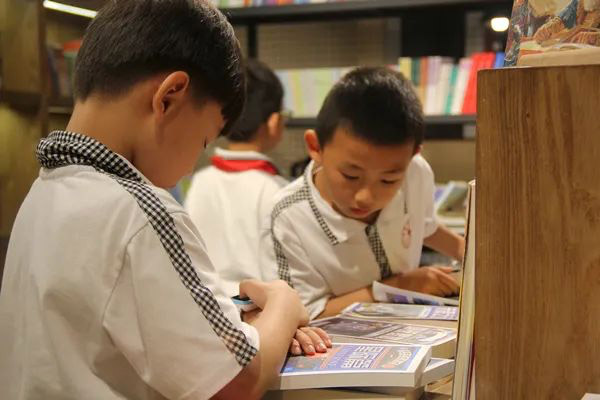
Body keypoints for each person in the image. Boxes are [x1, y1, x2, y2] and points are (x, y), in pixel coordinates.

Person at [0, 1, 329, 399]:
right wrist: (283, 304)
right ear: (169, 96)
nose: (190, 167)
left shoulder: (43, 191)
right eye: (203, 141)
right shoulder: (139, 210)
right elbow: (237, 382)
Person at [261, 67, 465, 320]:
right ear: (316, 147)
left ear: (413, 155)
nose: (365, 197)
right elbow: (301, 314)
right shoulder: (287, 217)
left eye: (388, 180)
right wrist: (399, 286)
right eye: (351, 176)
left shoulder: (416, 172)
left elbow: (425, 226)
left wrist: (469, 253)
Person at [185, 59, 287, 297]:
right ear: (275, 122)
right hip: (259, 308)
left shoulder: (201, 180)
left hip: (203, 304)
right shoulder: (277, 189)